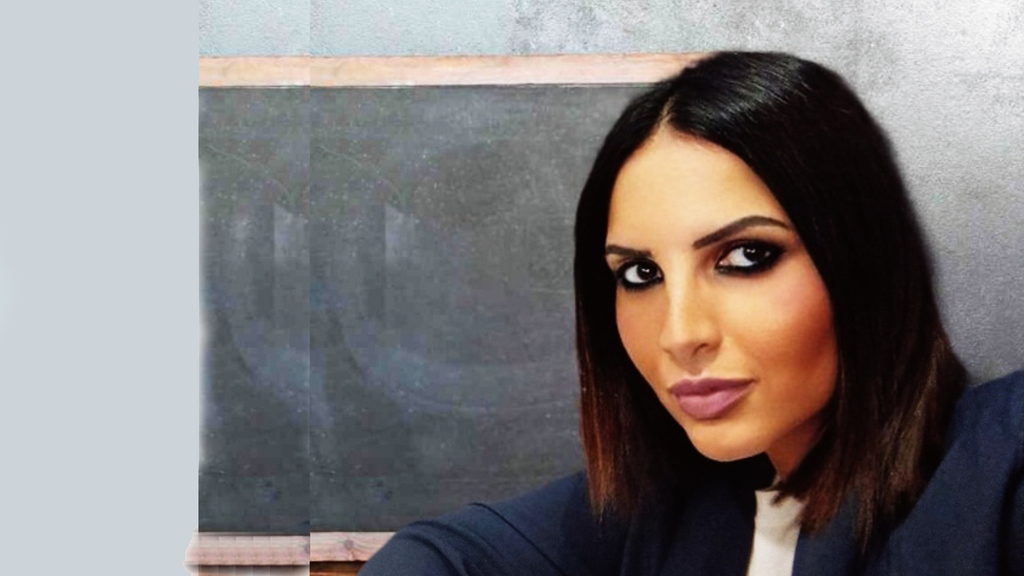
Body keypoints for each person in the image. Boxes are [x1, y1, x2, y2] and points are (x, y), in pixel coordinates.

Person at [359, 52, 1023, 576]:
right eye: (640, 275)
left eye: (747, 256)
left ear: (862, 257)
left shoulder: (996, 467)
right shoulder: (669, 508)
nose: (680, 334)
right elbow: (440, 555)